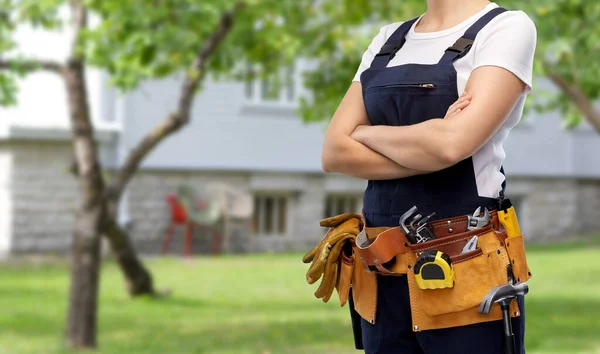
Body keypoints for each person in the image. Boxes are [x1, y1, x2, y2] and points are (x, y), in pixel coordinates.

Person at [321, 1, 537, 353]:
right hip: (381, 273)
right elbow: (333, 152)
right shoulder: (388, 40)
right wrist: (433, 138)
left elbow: (451, 146)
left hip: (466, 269)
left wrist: (364, 133)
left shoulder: (505, 28)